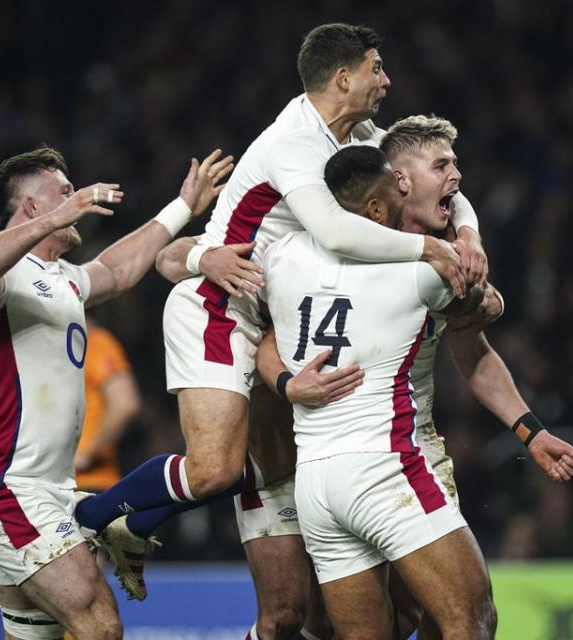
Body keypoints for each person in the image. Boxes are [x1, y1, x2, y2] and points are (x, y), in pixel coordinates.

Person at [75, 26, 488, 634]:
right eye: (376, 68)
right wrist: (433, 249)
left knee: (297, 610)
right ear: (342, 78)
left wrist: (468, 234)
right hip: (223, 307)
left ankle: (134, 525)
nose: (387, 81)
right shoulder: (294, 142)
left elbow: (437, 182)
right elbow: (336, 232)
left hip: (276, 315)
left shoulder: (362, 137)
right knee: (215, 468)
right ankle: (90, 518)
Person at [259, 144, 573, 639]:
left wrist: (285, 382)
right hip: (387, 468)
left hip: (318, 483)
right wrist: (475, 265)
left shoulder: (283, 254)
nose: (408, 192)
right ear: (376, 208)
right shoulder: (421, 271)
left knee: (392, 626)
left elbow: (265, 340)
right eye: (398, 187)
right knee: (472, 621)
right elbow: (486, 306)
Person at [0, 145, 231, 640]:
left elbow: (119, 270)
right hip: (7, 487)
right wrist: (58, 216)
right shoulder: (3, 278)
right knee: (100, 624)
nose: (76, 197)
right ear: (32, 208)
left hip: (50, 491)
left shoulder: (64, 280)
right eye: (62, 191)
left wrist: (183, 207)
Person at [74, 318, 142, 494]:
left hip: (90, 484)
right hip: (61, 485)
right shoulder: (62, 348)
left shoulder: (95, 342)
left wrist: (86, 455)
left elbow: (124, 404)